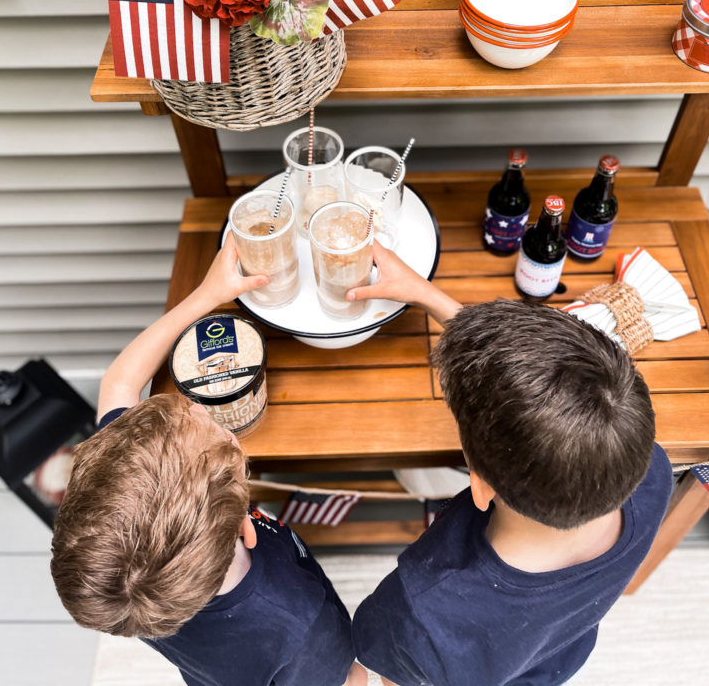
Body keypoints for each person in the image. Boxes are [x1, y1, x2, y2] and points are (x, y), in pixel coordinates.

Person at [347, 243, 673, 686]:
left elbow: (388, 674)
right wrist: (427, 295)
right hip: (550, 656)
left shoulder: (426, 610)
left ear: (479, 487)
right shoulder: (651, 471)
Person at [51, 234, 366, 686]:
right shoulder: (301, 625)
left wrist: (208, 296)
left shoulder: (122, 562)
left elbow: (119, 382)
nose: (201, 407)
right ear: (245, 527)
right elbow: (347, 678)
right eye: (219, 433)